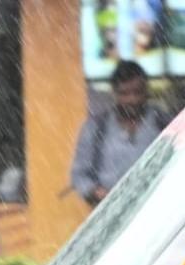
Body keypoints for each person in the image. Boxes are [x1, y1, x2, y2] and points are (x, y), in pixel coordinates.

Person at [71, 61, 167, 206]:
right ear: (114, 93)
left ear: (146, 91)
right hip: (113, 215)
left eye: (137, 92)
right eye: (125, 94)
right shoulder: (96, 127)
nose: (132, 99)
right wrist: (98, 193)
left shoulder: (164, 123)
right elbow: (79, 175)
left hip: (159, 209)